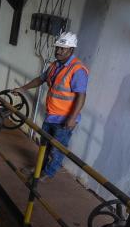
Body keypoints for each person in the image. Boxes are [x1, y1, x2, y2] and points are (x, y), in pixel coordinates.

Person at [15, 31, 88, 179]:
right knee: (44, 145)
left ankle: (48, 173)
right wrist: (23, 88)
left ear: (71, 50)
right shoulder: (55, 65)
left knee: (57, 150)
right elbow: (40, 79)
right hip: (51, 115)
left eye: (63, 49)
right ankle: (39, 167)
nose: (58, 51)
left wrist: (72, 118)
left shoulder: (77, 69)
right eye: (57, 48)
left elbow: (81, 96)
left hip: (64, 119)